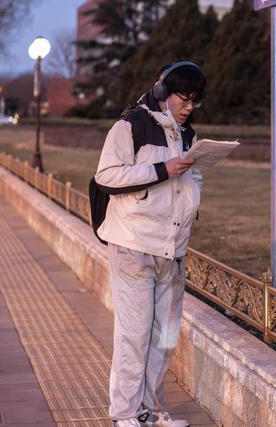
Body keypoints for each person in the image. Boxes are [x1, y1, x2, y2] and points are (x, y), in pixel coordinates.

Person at [94, 61, 205, 427]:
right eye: (183, 98)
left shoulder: (187, 134)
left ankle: (151, 411)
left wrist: (191, 197)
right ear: (162, 91)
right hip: (133, 246)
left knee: (164, 340)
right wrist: (162, 170)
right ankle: (124, 413)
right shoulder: (132, 124)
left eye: (195, 101)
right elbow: (107, 175)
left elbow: (189, 180)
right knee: (134, 336)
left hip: (172, 250)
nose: (188, 106)